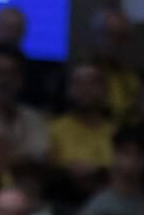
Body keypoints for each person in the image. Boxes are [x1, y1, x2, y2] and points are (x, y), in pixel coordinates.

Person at [45, 63, 115, 206]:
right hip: (62, 200)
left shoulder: (116, 132)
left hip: (106, 202)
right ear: (69, 89)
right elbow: (47, 170)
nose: (86, 89)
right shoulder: (53, 128)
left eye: (92, 82)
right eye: (79, 83)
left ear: (105, 90)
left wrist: (96, 171)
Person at [78, 129, 144, 215]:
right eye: (125, 153)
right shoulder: (96, 206)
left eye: (139, 155)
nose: (131, 161)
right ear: (114, 155)